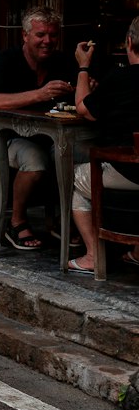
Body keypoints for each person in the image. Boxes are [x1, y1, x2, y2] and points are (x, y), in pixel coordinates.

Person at [0, 5, 76, 251]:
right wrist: (39, 94)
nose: (47, 41)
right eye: (40, 35)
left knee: (74, 156)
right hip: (7, 139)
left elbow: (78, 98)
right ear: (25, 36)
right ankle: (16, 221)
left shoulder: (63, 61)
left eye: (53, 35)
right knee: (35, 160)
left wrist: (84, 86)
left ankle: (62, 220)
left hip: (52, 137)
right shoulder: (7, 59)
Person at [68, 20, 139, 273]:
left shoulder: (121, 78)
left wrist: (83, 66)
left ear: (129, 43)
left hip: (129, 173)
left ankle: (91, 255)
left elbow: (83, 109)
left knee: (73, 178)